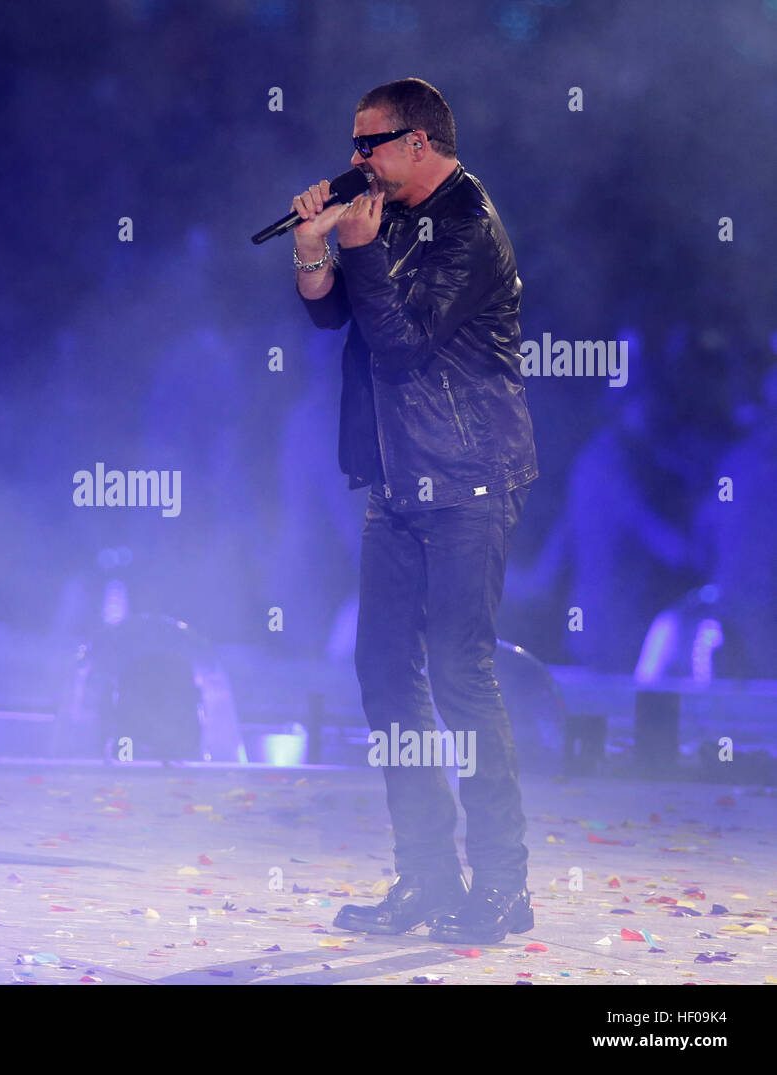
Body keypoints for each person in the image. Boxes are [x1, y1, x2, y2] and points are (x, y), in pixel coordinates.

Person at [289, 78, 538, 944]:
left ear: (420, 142)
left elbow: (401, 346)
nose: (356, 159)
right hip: (396, 481)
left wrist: (356, 244)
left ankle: (504, 888)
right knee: (386, 674)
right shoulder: (385, 206)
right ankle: (428, 876)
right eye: (355, 145)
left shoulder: (469, 225)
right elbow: (332, 322)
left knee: (462, 675)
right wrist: (315, 251)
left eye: (371, 144)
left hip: (469, 476)